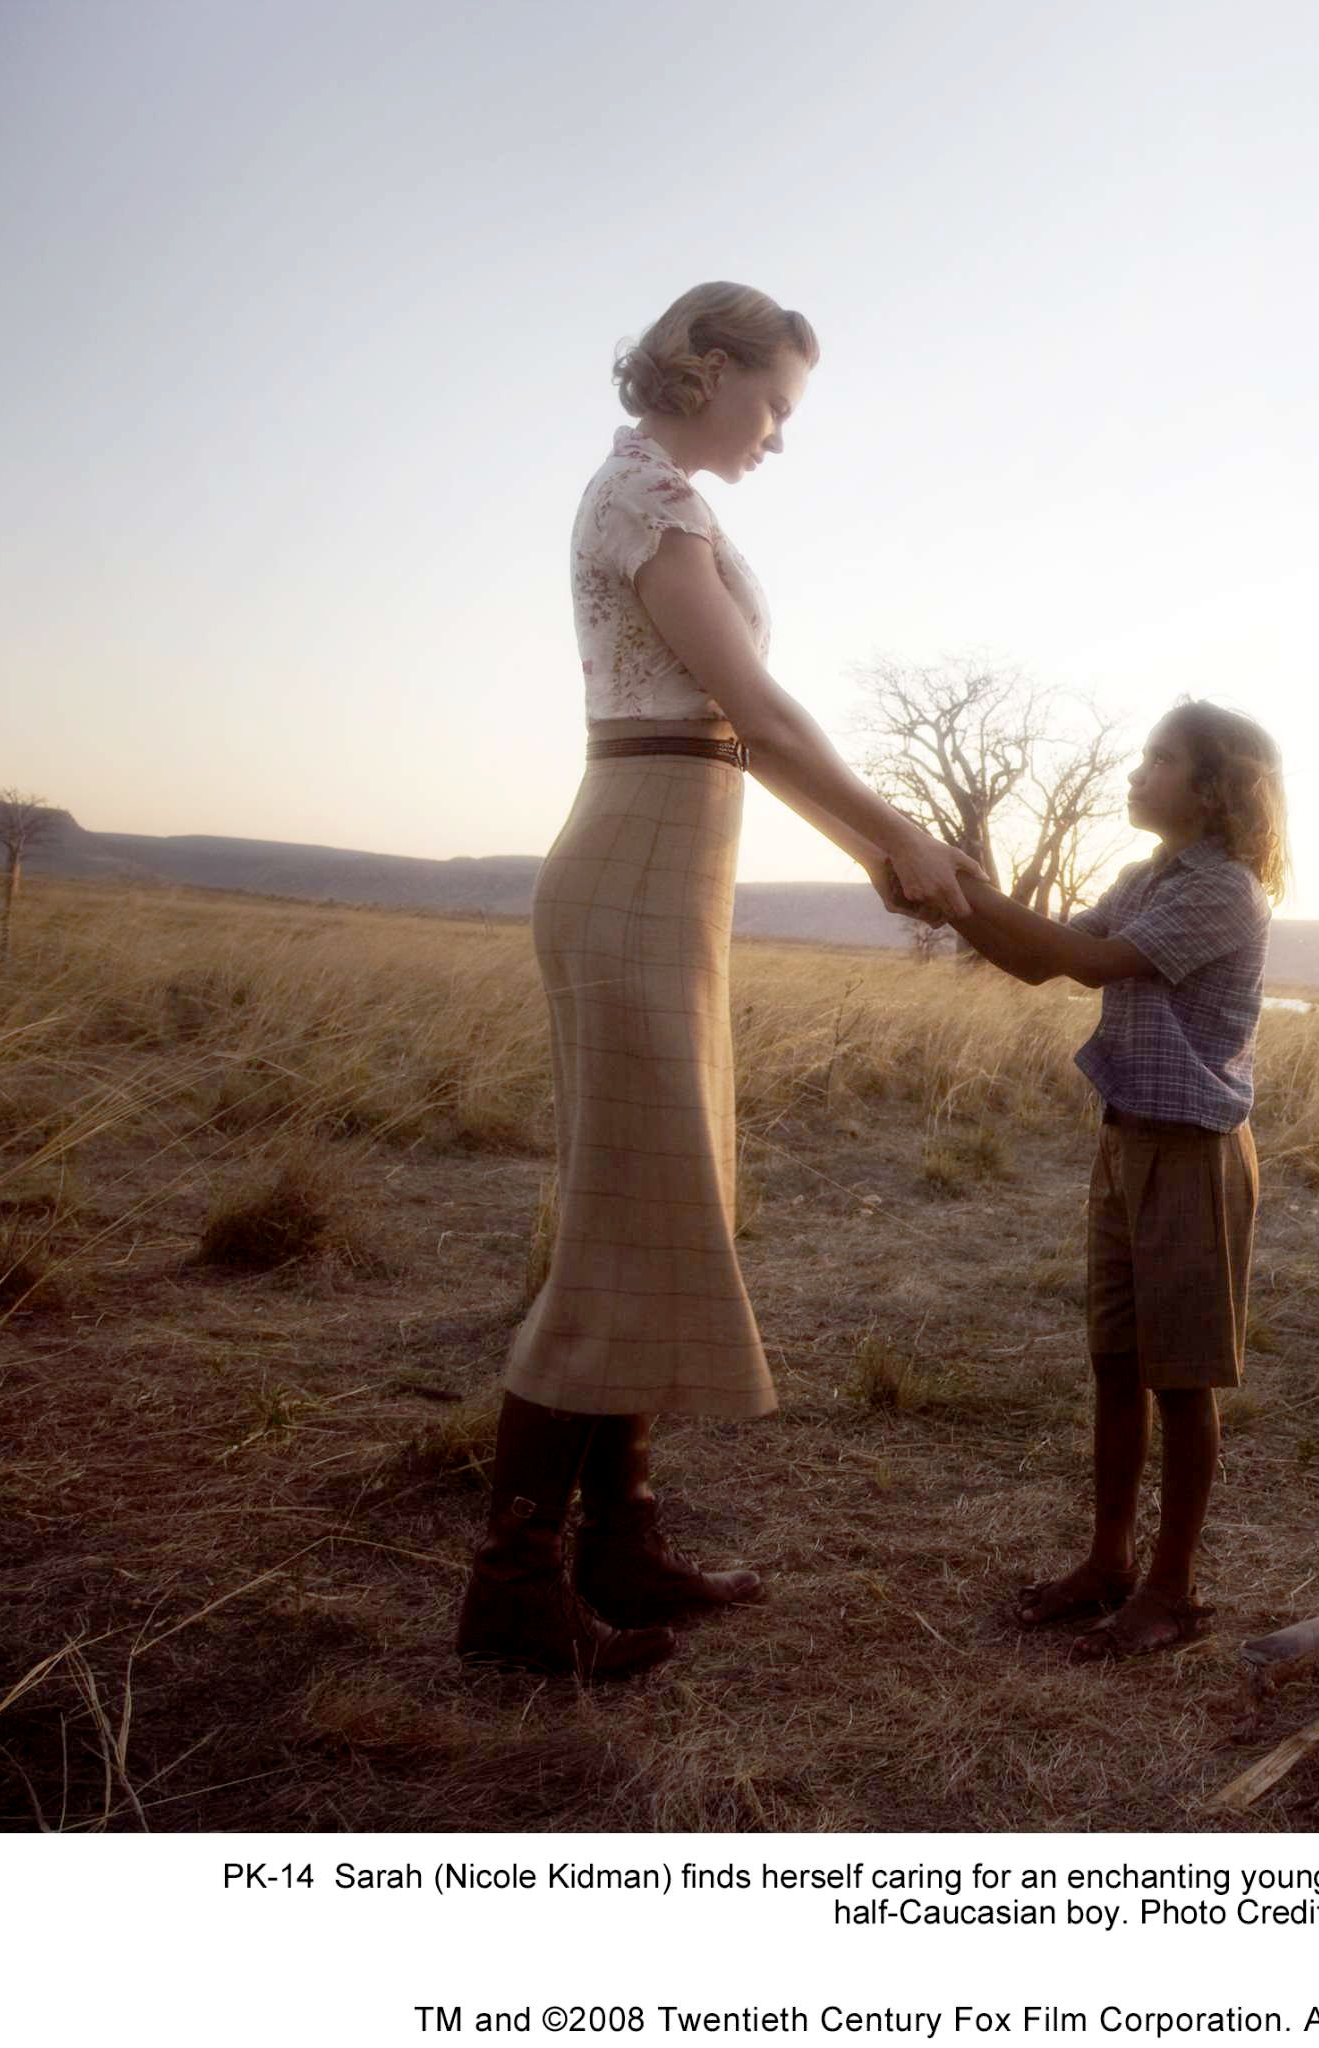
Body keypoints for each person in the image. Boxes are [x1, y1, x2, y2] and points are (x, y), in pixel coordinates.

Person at [457, 282, 977, 1679]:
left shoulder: (664, 495)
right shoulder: (644, 498)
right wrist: (891, 837)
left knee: (665, 1205)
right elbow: (757, 712)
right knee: (619, 1226)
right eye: (776, 404)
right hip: (631, 873)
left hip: (666, 883)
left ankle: (620, 1540)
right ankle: (512, 1590)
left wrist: (882, 846)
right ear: (703, 367)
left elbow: (742, 722)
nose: (780, 438)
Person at [944, 702, 1286, 1658]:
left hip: (1191, 1150)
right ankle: (1108, 1563)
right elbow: (1037, 960)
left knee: (1179, 1381)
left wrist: (955, 886)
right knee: (1115, 1367)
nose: (1138, 773)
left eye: (1159, 758)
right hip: (1126, 1143)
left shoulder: (1223, 890)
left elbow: (1084, 961)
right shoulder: (1146, 877)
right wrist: (943, 895)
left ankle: (1171, 1592)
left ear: (1215, 790)